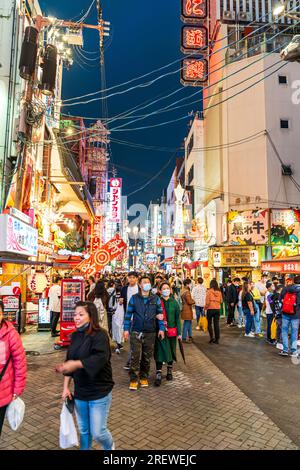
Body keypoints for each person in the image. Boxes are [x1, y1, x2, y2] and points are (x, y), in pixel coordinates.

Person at [56, 301, 115, 451]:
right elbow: (69, 362)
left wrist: (76, 364)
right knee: (84, 431)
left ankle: (109, 446)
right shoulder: (75, 335)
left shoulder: (100, 335)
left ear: (91, 316)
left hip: (99, 391)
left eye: (81, 315)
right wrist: (66, 388)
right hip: (81, 392)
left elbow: (99, 359)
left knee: (98, 432)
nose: (76, 318)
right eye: (75, 314)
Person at [123, 276, 165, 390]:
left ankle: (143, 377)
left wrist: (161, 328)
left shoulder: (155, 298)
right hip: (136, 331)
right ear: (140, 285)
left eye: (148, 282)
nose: (147, 284)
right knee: (135, 356)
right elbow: (128, 315)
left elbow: (160, 315)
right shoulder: (134, 298)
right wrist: (126, 329)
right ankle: (133, 379)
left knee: (147, 357)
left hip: (150, 332)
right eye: (144, 282)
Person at [0, 301, 27, 436]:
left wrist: (17, 389)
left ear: (2, 314)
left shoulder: (10, 334)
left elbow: (20, 363)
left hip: (2, 392)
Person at [154, 282, 182, 387]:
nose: (166, 290)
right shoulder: (157, 302)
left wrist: (179, 332)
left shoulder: (174, 302)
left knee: (171, 350)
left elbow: (177, 318)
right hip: (160, 331)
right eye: (163, 288)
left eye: (167, 288)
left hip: (172, 332)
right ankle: (158, 373)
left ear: (170, 290)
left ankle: (169, 371)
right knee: (159, 352)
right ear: (160, 291)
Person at [120, 272, 139, 371]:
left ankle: (134, 360)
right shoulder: (124, 289)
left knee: (137, 341)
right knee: (132, 341)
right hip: (128, 317)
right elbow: (121, 300)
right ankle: (132, 360)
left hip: (139, 318)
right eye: (130, 277)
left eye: (133, 277)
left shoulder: (140, 289)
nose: (131, 279)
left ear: (137, 279)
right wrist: (120, 301)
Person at [279, 276, 300, 357]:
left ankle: (285, 350)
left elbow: (280, 299)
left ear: (294, 281)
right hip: (296, 315)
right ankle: (293, 351)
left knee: (284, 331)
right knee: (294, 332)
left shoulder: (286, 288)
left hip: (285, 313)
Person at [205, 279, 222, 344]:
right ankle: (217, 339)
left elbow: (207, 302)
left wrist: (205, 308)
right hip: (217, 309)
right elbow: (221, 301)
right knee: (216, 324)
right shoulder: (219, 292)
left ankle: (211, 338)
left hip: (210, 309)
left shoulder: (209, 291)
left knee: (209, 324)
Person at [269, 284, 283, 350]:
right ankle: (280, 342)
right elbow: (281, 306)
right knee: (282, 329)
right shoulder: (280, 296)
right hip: (281, 314)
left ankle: (277, 341)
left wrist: (274, 312)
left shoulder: (271, 296)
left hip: (276, 314)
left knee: (278, 328)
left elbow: (270, 303)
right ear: (281, 289)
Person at [111, 285, 124, 354]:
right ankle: (118, 345)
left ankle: (118, 344)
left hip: (115, 315)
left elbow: (113, 306)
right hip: (121, 315)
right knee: (120, 329)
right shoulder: (123, 297)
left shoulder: (114, 296)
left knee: (116, 330)